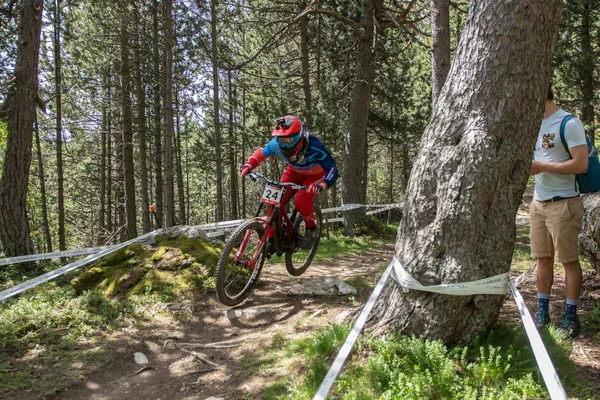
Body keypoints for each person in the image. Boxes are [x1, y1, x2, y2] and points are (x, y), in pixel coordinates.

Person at [530, 86, 588, 339]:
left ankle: (570, 316)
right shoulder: (533, 124)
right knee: (543, 259)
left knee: (568, 261)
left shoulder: (569, 123)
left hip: (564, 203)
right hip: (538, 203)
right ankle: (542, 313)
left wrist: (542, 166)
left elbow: (581, 164)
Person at [239, 115, 338, 254]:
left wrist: (322, 184)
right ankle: (273, 239)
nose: (284, 143)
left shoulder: (315, 146)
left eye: (289, 140)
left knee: (301, 200)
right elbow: (261, 154)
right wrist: (249, 164)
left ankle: (311, 229)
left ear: (299, 137)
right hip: (294, 172)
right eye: (281, 139)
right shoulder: (276, 144)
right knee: (274, 200)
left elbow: (332, 169)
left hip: (316, 175)